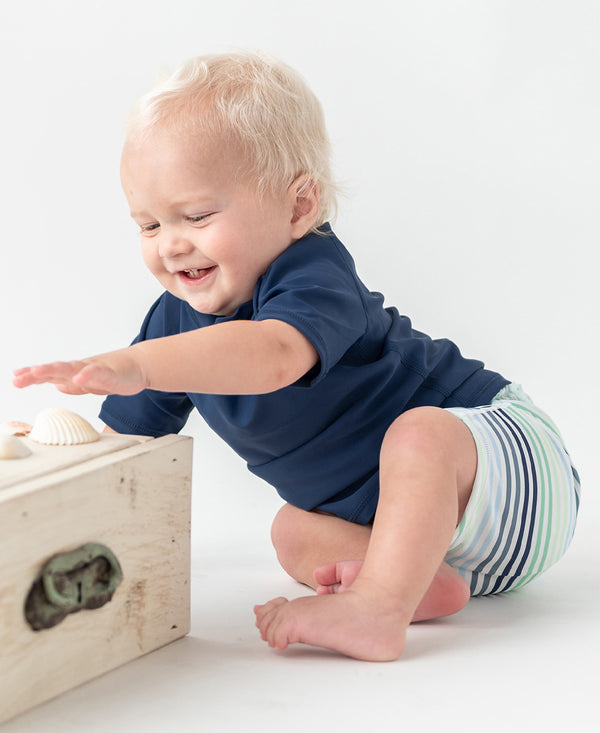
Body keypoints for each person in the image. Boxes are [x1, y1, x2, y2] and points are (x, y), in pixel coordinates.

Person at [13, 52, 580, 661]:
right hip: (430, 541)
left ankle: (377, 609)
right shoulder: (172, 329)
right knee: (291, 533)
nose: (172, 244)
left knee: (420, 435)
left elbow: (274, 354)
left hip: (509, 471)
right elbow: (130, 452)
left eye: (197, 216)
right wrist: (50, 476)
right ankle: (414, 585)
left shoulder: (314, 275)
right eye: (148, 226)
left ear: (299, 207)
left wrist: (142, 366)